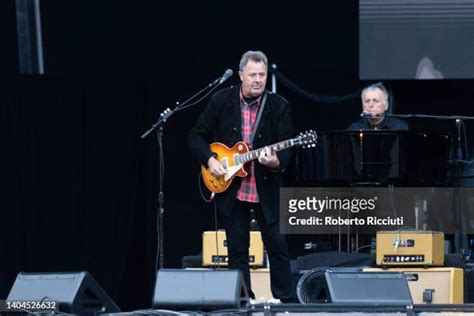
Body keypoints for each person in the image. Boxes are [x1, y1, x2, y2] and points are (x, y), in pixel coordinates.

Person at [188, 50, 296, 303]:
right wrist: (210, 159)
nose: (258, 79)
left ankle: (287, 303)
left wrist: (275, 162)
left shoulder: (279, 105)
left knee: (278, 247)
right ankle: (242, 302)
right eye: (253, 75)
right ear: (240, 76)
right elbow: (195, 135)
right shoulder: (220, 100)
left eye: (262, 74)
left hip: (265, 190)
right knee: (237, 250)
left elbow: (287, 148)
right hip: (231, 189)